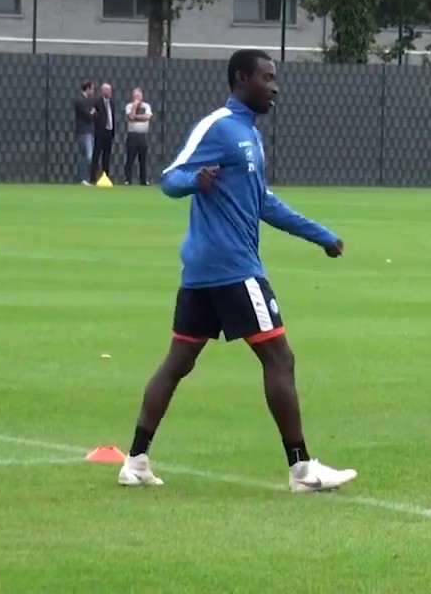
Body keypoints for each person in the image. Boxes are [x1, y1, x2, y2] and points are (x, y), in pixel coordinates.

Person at [117, 49, 357, 493]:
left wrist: (319, 234)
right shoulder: (219, 126)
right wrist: (195, 180)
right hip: (232, 269)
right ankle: (302, 469)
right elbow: (170, 177)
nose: (275, 86)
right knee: (279, 358)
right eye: (267, 77)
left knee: (179, 361)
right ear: (241, 78)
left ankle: (135, 461)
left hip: (207, 272)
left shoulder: (249, 136)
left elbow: (263, 202)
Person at [123, 87, 153, 185]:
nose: (137, 98)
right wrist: (135, 107)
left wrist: (136, 117)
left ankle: (143, 180)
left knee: (143, 159)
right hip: (132, 135)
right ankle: (128, 179)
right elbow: (130, 117)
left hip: (142, 135)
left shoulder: (146, 106)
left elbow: (147, 117)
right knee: (130, 158)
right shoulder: (129, 106)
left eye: (139, 96)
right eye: (135, 96)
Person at [72, 81, 96, 184]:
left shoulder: (87, 101)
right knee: (88, 155)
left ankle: (82, 178)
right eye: (92, 89)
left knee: (85, 155)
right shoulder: (80, 101)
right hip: (83, 131)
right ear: (87, 89)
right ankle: (82, 178)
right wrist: (92, 112)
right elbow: (88, 116)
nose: (93, 91)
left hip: (89, 131)